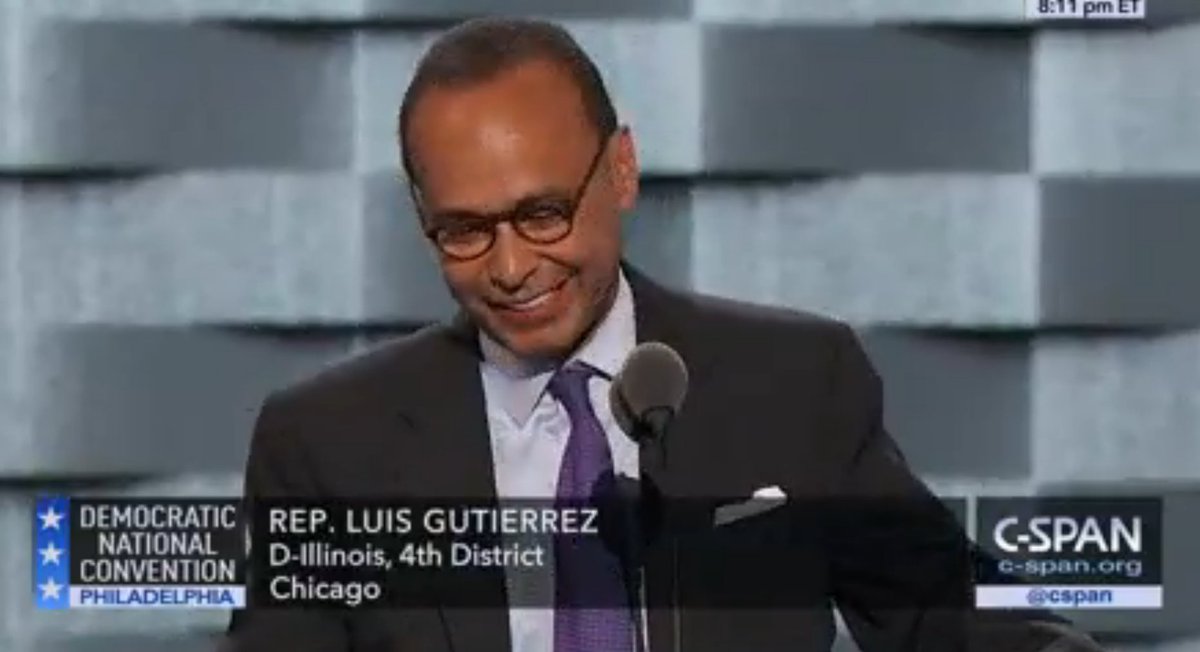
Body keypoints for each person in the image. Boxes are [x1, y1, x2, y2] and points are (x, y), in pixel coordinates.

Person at [224, 17, 1104, 652]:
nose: (511, 267)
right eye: (464, 231)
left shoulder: (794, 386)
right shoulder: (326, 444)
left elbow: (959, 617)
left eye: (543, 214)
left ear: (621, 171)